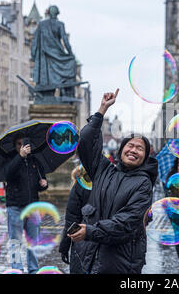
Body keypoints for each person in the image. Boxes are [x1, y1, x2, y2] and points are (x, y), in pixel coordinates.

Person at [68, 89, 159, 274]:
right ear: (121, 150)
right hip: (87, 258)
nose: (134, 150)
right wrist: (102, 110)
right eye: (130, 145)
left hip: (119, 264)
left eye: (140, 148)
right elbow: (86, 142)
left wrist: (91, 232)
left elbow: (126, 223)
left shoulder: (143, 184)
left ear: (145, 156)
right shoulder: (103, 169)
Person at [3, 132, 49, 274]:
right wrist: (20, 156)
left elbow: (42, 181)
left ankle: (33, 269)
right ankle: (17, 268)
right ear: (15, 146)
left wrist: (44, 184)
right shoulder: (10, 159)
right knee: (15, 241)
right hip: (15, 206)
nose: (22, 146)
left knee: (33, 241)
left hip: (32, 206)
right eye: (19, 144)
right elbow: (7, 174)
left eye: (24, 143)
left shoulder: (34, 160)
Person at [59, 165, 92, 274]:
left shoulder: (79, 186)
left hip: (81, 240)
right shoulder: (107, 181)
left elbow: (71, 219)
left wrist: (64, 247)